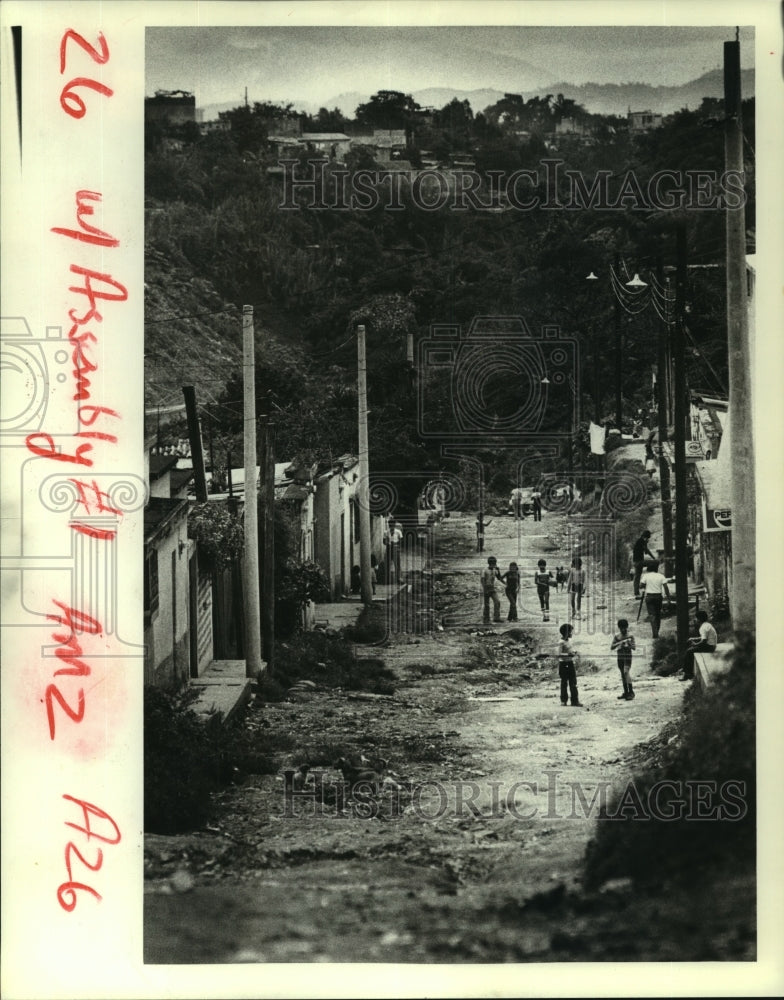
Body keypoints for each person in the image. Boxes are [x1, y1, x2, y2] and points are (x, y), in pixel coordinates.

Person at [680, 609, 718, 681]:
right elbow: (704, 637)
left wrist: (695, 644)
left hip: (709, 647)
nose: (695, 619)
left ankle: (687, 674)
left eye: (696, 618)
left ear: (699, 619)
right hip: (712, 646)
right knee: (690, 649)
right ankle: (687, 669)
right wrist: (693, 638)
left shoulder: (702, 628)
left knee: (689, 651)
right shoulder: (707, 624)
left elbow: (704, 641)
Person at [639, 563, 672, 639]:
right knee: (658, 615)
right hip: (658, 597)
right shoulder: (661, 576)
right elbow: (666, 587)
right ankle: (656, 631)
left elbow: (641, 586)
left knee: (652, 615)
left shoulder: (646, 576)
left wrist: (645, 585)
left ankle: (655, 633)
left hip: (649, 597)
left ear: (649, 569)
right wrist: (668, 597)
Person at [611, 619, 637, 700]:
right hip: (620, 657)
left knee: (626, 672)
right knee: (623, 674)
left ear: (627, 627)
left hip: (628, 656)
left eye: (624, 628)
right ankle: (626, 692)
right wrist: (620, 643)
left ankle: (631, 692)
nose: (623, 630)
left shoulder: (630, 636)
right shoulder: (617, 636)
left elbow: (634, 648)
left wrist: (628, 644)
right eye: (621, 628)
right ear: (619, 628)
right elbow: (611, 647)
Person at [557, 623, 582, 707]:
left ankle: (575, 701)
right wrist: (568, 655)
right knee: (564, 682)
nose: (571, 633)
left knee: (573, 682)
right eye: (570, 632)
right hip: (563, 664)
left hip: (570, 663)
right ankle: (563, 701)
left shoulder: (570, 641)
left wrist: (574, 652)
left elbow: (570, 650)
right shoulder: (561, 642)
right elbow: (559, 654)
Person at [632, 530, 656, 598]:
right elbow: (647, 551)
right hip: (639, 562)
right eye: (648, 538)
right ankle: (652, 581)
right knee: (655, 562)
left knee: (637, 577)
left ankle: (636, 593)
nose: (648, 540)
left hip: (635, 562)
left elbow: (644, 552)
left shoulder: (639, 541)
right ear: (646, 537)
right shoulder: (642, 541)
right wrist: (654, 558)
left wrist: (645, 543)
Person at [480, 556, 502, 624]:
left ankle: (496, 617)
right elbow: (482, 580)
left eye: (495, 564)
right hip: (486, 588)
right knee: (487, 605)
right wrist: (485, 589)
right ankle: (486, 619)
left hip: (492, 588)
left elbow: (499, 578)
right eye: (493, 564)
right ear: (489, 564)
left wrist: (498, 570)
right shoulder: (485, 570)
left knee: (497, 601)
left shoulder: (495, 570)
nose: (494, 565)